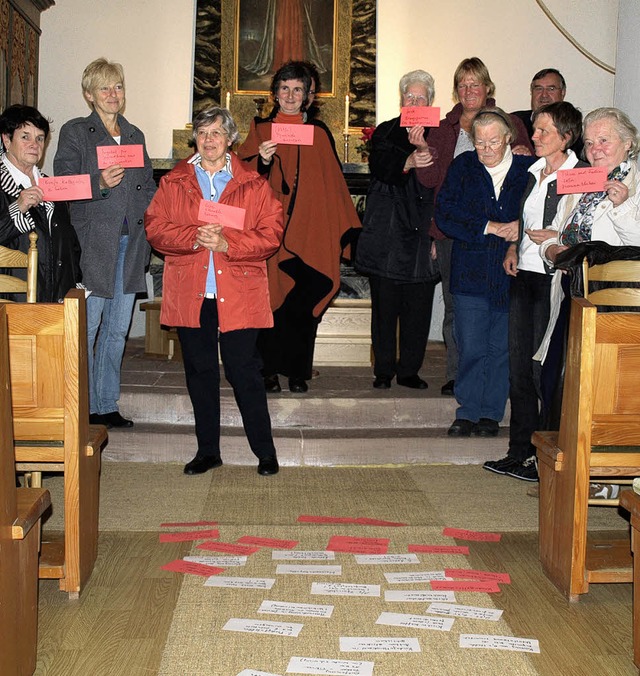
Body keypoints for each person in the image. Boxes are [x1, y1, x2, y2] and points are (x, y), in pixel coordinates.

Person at [145, 106, 284, 476]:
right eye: (203, 133)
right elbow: (155, 228)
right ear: (196, 138)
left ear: (231, 140)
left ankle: (265, 452)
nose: (209, 140)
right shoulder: (173, 182)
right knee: (200, 372)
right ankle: (208, 451)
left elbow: (272, 233)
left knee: (244, 371)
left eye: (217, 133)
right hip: (193, 290)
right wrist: (193, 237)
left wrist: (229, 244)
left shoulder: (253, 183)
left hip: (238, 292)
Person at [237, 61, 361, 393]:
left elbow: (333, 183)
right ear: (275, 93)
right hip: (272, 234)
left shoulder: (318, 133)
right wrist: (262, 161)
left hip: (312, 233)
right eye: (284, 88)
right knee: (273, 299)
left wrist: (345, 230)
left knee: (304, 303)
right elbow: (241, 180)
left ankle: (297, 371)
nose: (290, 95)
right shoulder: (261, 129)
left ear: (307, 96)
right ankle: (267, 370)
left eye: (297, 90)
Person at [417, 57, 533, 397]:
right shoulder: (442, 128)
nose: (469, 90)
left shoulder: (509, 122)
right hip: (458, 233)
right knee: (457, 305)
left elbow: (528, 174)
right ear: (457, 90)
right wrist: (423, 152)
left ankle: (495, 383)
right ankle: (457, 375)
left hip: (504, 235)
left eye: (475, 83)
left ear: (487, 88)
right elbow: (432, 183)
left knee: (500, 311)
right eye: (463, 85)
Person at [482, 101, 584, 482]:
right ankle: (518, 451)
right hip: (524, 274)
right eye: (535, 129)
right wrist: (512, 247)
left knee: (547, 372)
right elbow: (525, 220)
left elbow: (586, 228)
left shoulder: (582, 175)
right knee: (519, 367)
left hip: (553, 278)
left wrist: (560, 238)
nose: (535, 136)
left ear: (567, 137)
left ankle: (544, 457)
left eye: (543, 131)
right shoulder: (533, 171)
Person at [54, 58, 156, 429]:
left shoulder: (135, 135)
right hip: (93, 243)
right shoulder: (76, 132)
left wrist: (156, 218)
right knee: (89, 327)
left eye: (118, 87)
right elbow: (62, 185)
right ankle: (81, 407)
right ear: (89, 95)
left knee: (117, 330)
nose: (113, 95)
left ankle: (106, 404)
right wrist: (99, 182)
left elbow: (147, 185)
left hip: (132, 244)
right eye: (104, 88)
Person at [435, 108, 535, 437]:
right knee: (471, 345)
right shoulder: (463, 167)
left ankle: (491, 414)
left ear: (509, 139)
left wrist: (520, 227)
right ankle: (467, 411)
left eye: (494, 142)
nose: (487, 149)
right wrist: (487, 226)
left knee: (501, 347)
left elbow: (545, 209)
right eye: (480, 143)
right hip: (470, 272)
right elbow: (445, 214)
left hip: (512, 272)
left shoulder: (527, 169)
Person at [535, 107, 640, 419]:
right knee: (557, 377)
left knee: (604, 384)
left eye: (605, 140)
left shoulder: (636, 185)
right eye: (591, 142)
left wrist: (621, 206)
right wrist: (552, 252)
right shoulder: (581, 180)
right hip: (572, 291)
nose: (596, 149)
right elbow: (553, 232)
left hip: (616, 298)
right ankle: (557, 456)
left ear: (629, 143)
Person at [355, 69, 437, 389]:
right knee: (385, 307)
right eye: (409, 97)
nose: (414, 101)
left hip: (422, 231)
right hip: (387, 232)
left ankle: (409, 371)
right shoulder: (386, 130)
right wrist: (409, 161)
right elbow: (380, 167)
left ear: (430, 101)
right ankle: (384, 369)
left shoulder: (439, 132)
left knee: (418, 308)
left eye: (421, 97)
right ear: (401, 100)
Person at [0, 104, 81, 302]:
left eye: (40, 138)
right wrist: (17, 207)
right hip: (11, 304)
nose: (34, 144)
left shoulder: (52, 187)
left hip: (56, 300)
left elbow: (69, 245)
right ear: (6, 140)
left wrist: (73, 289)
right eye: (25, 136)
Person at [511, 68, 583, 156]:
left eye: (551, 89)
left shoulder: (571, 125)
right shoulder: (513, 121)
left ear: (563, 93)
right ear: (531, 92)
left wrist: (531, 159)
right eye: (538, 89)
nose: (544, 95)